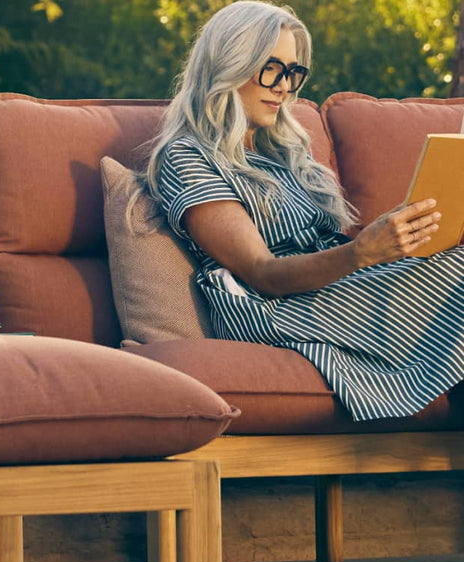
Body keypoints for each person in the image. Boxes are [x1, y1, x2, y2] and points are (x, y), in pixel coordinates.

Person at [146, 0, 464, 421]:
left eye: (293, 72)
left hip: (329, 286)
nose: (284, 87)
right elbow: (261, 272)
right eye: (271, 68)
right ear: (229, 64)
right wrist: (360, 254)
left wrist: (393, 239)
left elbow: (333, 249)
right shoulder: (188, 157)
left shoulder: (284, 153)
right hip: (271, 307)